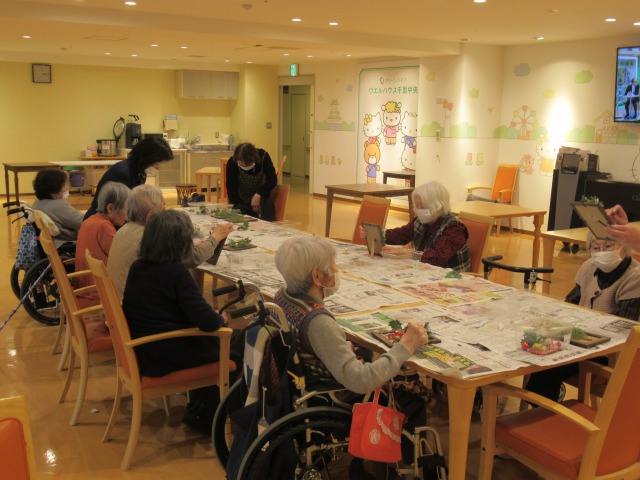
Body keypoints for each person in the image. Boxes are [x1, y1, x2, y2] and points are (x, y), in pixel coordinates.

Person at [122, 209, 234, 435]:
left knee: (221, 340)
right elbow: (207, 322)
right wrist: (220, 318)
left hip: (144, 349)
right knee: (236, 345)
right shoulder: (175, 272)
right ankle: (209, 416)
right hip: (165, 354)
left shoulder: (139, 266)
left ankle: (200, 410)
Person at [274, 235, 428, 394]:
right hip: (330, 395)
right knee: (414, 397)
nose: (336, 269)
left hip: (297, 382)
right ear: (317, 276)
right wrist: (406, 346)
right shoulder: (318, 322)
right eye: (332, 263)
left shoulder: (282, 297)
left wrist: (338, 349)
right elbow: (361, 381)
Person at [526, 233, 640, 400]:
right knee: (535, 349)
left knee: (548, 368)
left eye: (608, 246)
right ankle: (540, 402)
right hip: (577, 341)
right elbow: (571, 303)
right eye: (596, 248)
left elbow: (623, 329)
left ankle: (544, 408)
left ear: (623, 246)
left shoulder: (635, 277)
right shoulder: (589, 267)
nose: (602, 252)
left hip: (608, 353)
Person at [107, 184, 235, 299]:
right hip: (135, 310)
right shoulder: (150, 238)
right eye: (163, 210)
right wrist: (216, 236)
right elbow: (194, 258)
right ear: (151, 216)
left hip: (115, 305)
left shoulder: (123, 230)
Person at [360, 180, 471, 272]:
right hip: (427, 271)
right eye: (416, 205)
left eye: (422, 206)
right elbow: (400, 235)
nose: (418, 210)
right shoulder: (420, 222)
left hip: (451, 277)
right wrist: (374, 232)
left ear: (438, 206)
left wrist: (409, 253)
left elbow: (438, 257)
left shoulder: (454, 228)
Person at [83, 136, 173, 220]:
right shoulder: (123, 173)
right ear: (148, 158)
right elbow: (119, 209)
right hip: (102, 221)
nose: (158, 167)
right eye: (157, 163)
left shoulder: (139, 172)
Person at [75, 182, 130, 303]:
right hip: (98, 291)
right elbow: (122, 259)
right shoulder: (104, 227)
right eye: (126, 208)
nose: (128, 214)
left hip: (85, 286)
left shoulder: (89, 221)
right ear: (110, 208)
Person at [226, 142, 277, 221]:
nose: (244, 167)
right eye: (241, 165)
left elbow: (272, 179)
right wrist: (240, 207)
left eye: (247, 165)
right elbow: (231, 188)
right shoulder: (232, 162)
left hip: (262, 198)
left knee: (266, 220)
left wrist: (259, 195)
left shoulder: (263, 156)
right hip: (240, 199)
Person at [32, 169, 84, 247]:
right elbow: (83, 221)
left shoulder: (38, 202)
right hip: (69, 243)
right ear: (54, 188)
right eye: (64, 185)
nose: (67, 188)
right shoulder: (58, 205)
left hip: (55, 243)